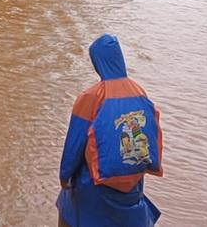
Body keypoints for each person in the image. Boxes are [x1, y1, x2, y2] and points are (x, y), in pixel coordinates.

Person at [57, 34, 163, 227]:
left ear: (97, 62)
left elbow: (75, 143)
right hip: (131, 183)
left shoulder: (90, 96)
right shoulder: (139, 92)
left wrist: (64, 177)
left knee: (67, 207)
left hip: (95, 184)